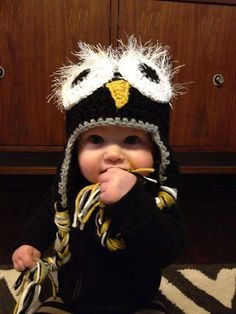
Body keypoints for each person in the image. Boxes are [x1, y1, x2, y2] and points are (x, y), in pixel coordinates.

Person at [12, 36, 185, 314]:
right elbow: (46, 214)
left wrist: (133, 201)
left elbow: (167, 248)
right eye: (96, 140)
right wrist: (28, 242)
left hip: (137, 301)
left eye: (131, 140)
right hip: (72, 298)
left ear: (156, 150)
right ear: (73, 148)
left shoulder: (156, 195)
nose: (113, 154)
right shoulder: (69, 187)